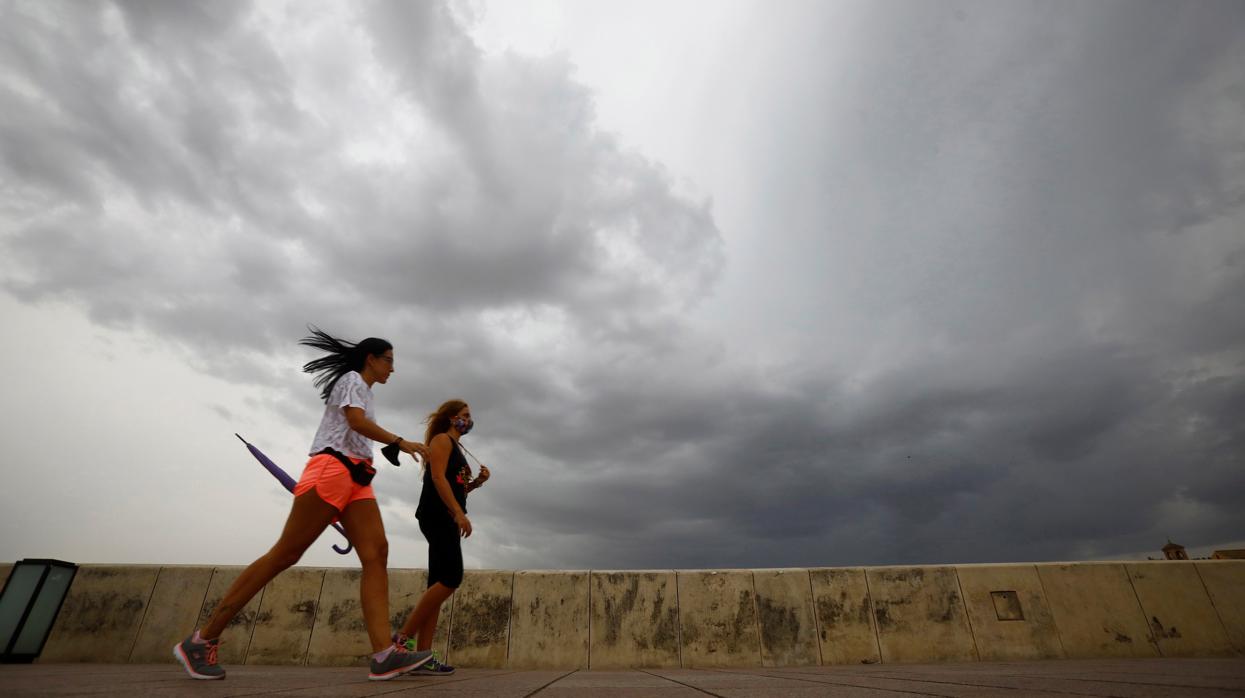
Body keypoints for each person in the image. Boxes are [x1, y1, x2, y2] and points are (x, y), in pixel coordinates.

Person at [174, 328, 434, 681]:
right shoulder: (352, 380)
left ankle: (384, 654)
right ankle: (201, 640)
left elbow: (358, 426)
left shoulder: (365, 390)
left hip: (357, 479)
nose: (393, 368)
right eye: (389, 361)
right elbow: (355, 421)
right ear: (371, 359)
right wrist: (400, 442)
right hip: (331, 470)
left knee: (377, 553)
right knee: (285, 554)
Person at [393, 399, 490, 675]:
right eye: (464, 415)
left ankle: (421, 657)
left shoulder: (458, 446)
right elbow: (437, 479)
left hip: (445, 514)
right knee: (451, 578)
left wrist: (477, 484)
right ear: (451, 418)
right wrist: (459, 514)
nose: (469, 420)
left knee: (436, 586)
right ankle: (401, 642)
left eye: (469, 416)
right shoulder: (441, 441)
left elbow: (456, 488)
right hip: (438, 515)